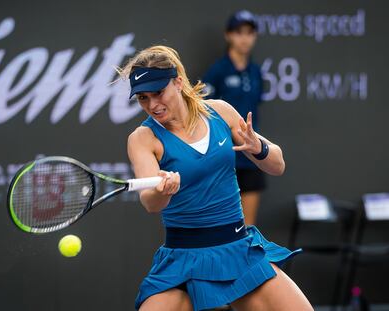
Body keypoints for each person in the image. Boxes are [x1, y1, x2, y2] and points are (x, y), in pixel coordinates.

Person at [122, 45, 313, 311]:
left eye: (158, 92)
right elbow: (150, 203)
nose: (152, 105)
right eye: (143, 98)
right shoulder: (142, 139)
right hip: (183, 262)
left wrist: (258, 148)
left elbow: (277, 164)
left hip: (238, 250)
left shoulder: (220, 112)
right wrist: (163, 190)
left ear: (178, 82)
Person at [202, 10, 264, 225]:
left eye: (249, 33)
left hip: (251, 157)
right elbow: (204, 113)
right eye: (239, 32)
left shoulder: (256, 72)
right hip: (224, 159)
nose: (245, 38)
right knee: (223, 226)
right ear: (228, 35)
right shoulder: (217, 72)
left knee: (248, 228)